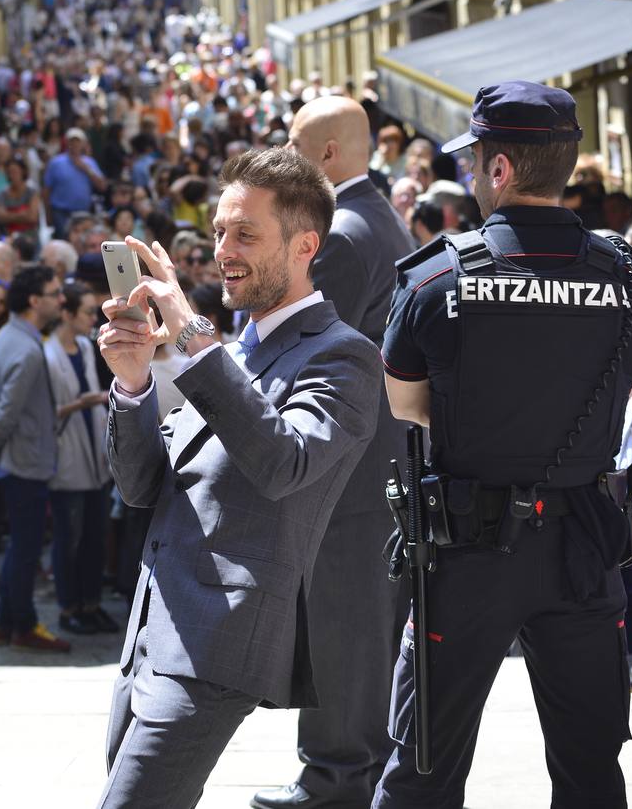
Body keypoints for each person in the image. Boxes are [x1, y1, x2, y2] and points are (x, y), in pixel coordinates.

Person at [373, 82, 632, 809]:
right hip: (584, 549)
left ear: (498, 171)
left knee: (423, 767)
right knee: (591, 766)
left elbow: (407, 405)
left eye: (476, 164)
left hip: (467, 553)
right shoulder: (629, 277)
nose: (473, 178)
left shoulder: (438, 278)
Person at [94, 148, 382, 808]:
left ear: (305, 245)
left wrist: (194, 336)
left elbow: (285, 466)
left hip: (218, 641)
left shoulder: (343, 355)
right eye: (221, 231)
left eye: (246, 234)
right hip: (151, 632)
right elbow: (143, 489)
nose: (224, 249)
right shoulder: (230, 350)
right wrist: (134, 382)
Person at [252, 96, 412, 809]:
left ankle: (338, 777)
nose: (283, 158)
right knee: (355, 624)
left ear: (326, 155)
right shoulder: (374, 216)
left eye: (292, 145)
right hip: (373, 460)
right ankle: (349, 768)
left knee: (343, 625)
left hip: (349, 470)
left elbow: (304, 344)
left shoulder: (344, 232)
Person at [0, 265, 70, 652]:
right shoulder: (24, 348)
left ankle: (6, 624)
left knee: (20, 547)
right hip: (24, 461)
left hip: (16, 459)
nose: (62, 300)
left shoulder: (9, 337)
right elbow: (4, 408)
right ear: (34, 300)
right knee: (24, 549)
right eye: (55, 293)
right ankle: (21, 624)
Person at [45, 282, 115, 635]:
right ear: (67, 313)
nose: (92, 318)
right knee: (68, 537)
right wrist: (83, 403)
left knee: (95, 535)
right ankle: (68, 606)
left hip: (94, 452)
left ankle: (91, 603)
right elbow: (43, 412)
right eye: (87, 312)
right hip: (67, 454)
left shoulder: (87, 347)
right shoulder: (47, 353)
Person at [43, 128, 106, 236]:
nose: (75, 144)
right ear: (67, 143)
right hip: (61, 212)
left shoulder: (90, 162)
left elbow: (102, 186)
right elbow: (46, 190)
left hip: (83, 211)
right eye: (72, 141)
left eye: (78, 141)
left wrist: (86, 169)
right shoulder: (56, 162)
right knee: (64, 240)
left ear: (83, 144)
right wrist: (48, 215)